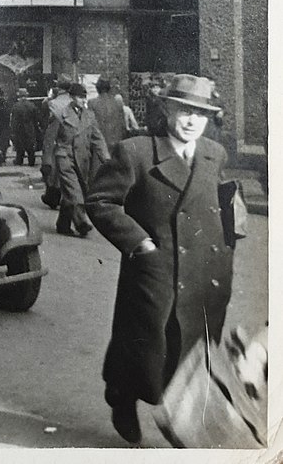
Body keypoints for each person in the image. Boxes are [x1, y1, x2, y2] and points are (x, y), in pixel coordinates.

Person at [85, 74, 235, 446]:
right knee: (145, 346)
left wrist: (233, 234)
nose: (191, 121)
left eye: (200, 114)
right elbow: (100, 201)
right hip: (153, 271)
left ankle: (182, 420)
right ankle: (122, 396)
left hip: (203, 271)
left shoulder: (214, 153)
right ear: (166, 109)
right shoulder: (135, 152)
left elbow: (226, 198)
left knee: (193, 351)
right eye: (183, 110)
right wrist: (138, 243)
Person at [54, 82, 109, 237]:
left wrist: (106, 159)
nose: (84, 100)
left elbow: (97, 139)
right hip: (65, 157)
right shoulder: (61, 114)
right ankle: (81, 223)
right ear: (72, 98)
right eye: (80, 97)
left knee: (72, 193)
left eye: (85, 97)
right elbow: (49, 137)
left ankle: (62, 224)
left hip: (82, 159)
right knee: (74, 192)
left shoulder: (89, 115)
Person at [40, 75, 71, 208]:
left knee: (53, 170)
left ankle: (53, 197)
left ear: (58, 87)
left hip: (58, 142)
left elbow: (49, 129)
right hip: (73, 143)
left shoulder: (52, 103)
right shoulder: (75, 101)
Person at [88, 76, 127, 149]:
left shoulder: (92, 103)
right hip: (116, 143)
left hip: (99, 145)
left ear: (97, 89)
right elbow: (123, 125)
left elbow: (89, 125)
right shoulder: (117, 103)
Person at [10, 88, 39, 167]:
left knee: (19, 146)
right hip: (30, 127)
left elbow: (14, 120)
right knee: (30, 146)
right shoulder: (32, 105)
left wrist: (13, 130)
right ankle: (31, 161)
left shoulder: (16, 106)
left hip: (19, 128)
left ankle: (19, 160)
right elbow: (36, 119)